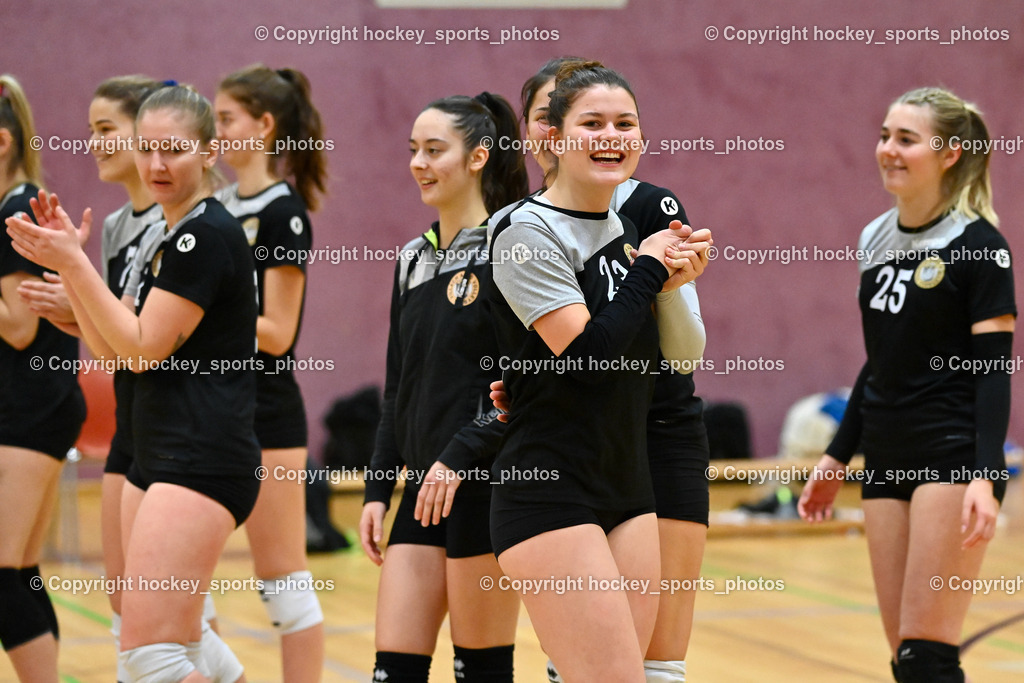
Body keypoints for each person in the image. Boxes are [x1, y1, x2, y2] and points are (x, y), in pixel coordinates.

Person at [7, 84, 260, 683]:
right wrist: (74, 295)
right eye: (147, 149)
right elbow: (113, 350)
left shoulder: (204, 235)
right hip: (158, 450)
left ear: (207, 152)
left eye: (172, 150)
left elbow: (144, 349)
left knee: (151, 657)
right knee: (185, 644)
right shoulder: (161, 235)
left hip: (201, 457)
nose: (155, 165)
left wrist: (73, 265)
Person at [487, 61, 709, 683]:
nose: (611, 135)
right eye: (592, 123)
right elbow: (587, 360)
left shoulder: (625, 228)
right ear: (551, 138)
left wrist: (669, 285)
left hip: (629, 485)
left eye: (625, 123)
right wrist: (649, 274)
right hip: (551, 486)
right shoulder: (522, 231)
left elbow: (683, 356)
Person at [798, 87, 1015, 683]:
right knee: (905, 659)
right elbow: (881, 362)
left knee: (928, 657)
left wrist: (987, 474)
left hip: (950, 454)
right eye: (885, 135)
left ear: (948, 154)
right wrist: (837, 456)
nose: (888, 150)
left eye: (906, 139)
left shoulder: (982, 249)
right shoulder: (875, 237)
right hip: (886, 454)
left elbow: (994, 370)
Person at [358, 92, 528, 683]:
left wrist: (460, 456)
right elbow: (396, 385)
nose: (418, 164)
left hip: (483, 487)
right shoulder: (411, 259)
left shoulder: (512, 251)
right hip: (421, 495)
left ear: (479, 157)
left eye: (435, 150)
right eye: (413, 151)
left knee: (479, 672)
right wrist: (379, 485)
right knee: (393, 671)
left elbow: (526, 388)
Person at [214, 64, 327, 683]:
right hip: (208, 405)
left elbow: (278, 333)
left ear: (263, 125)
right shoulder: (217, 204)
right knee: (182, 579)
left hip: (265, 412)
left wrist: (196, 315)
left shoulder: (282, 211)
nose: (216, 129)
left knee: (280, 576)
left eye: (226, 118)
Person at [0, 72, 86, 683]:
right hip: (37, 401)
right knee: (22, 566)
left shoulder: (14, 207)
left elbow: (19, 325)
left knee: (2, 571)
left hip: (31, 404)